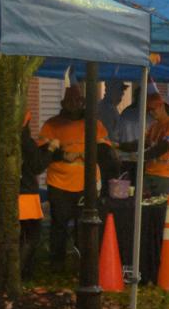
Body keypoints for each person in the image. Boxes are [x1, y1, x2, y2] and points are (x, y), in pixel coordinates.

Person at [39, 86, 114, 270]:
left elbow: (106, 150)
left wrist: (88, 152)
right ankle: (57, 262)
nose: (74, 105)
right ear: (63, 103)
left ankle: (86, 262)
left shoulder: (94, 124)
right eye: (70, 101)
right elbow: (42, 151)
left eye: (78, 101)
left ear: (83, 103)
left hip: (86, 183)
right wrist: (62, 155)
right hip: (59, 183)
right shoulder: (52, 125)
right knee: (59, 224)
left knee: (85, 225)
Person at [119, 92, 169, 197]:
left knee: (162, 209)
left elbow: (164, 146)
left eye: (153, 109)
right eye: (149, 111)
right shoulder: (154, 126)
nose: (151, 113)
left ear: (162, 106)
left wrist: (141, 156)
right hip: (150, 174)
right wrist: (119, 146)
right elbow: (142, 143)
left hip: (167, 176)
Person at [17, 111, 52, 280]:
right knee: (31, 237)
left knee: (18, 236)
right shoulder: (26, 142)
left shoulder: (6, 140)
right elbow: (37, 165)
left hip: (13, 195)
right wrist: (51, 149)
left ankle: (19, 271)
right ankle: (21, 271)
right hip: (27, 197)